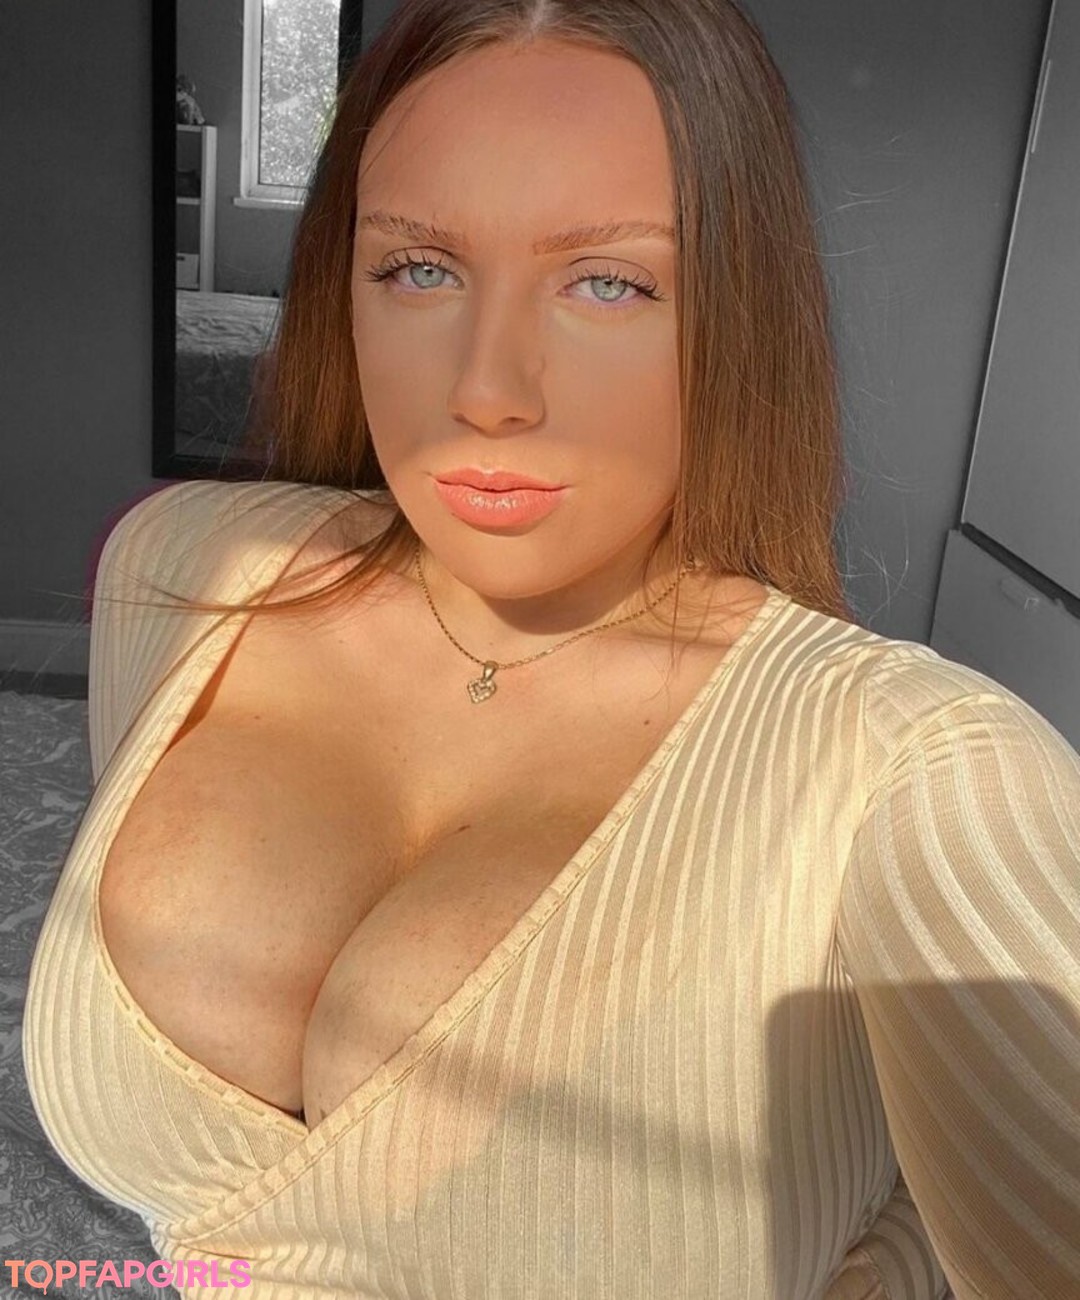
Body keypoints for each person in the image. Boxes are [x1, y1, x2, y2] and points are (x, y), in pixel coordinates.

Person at [23, 1, 1080, 1296]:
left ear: (741, 314)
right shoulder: (184, 565)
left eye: (608, 282)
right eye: (419, 268)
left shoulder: (923, 770)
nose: (488, 390)